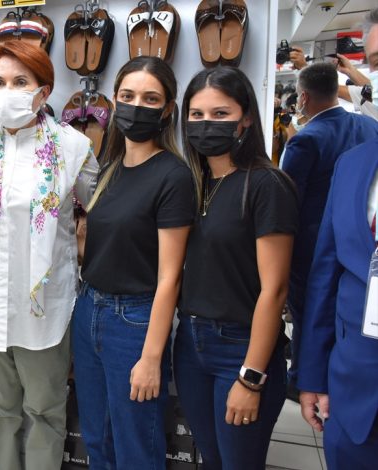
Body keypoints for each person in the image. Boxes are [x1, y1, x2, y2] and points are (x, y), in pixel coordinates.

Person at [0, 42, 98, 470]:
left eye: (20, 82)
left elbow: (97, 210)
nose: (7, 91)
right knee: (0, 411)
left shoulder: (73, 147)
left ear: (44, 91)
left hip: (42, 309)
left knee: (44, 410)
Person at [71, 56, 195, 469]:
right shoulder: (109, 169)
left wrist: (152, 357)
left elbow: (170, 276)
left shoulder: (173, 176)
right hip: (89, 308)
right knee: (97, 437)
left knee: (135, 444)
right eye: (128, 95)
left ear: (168, 108)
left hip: (134, 321)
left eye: (150, 98)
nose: (136, 105)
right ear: (114, 100)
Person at [174, 66, 298, 470]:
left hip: (241, 347)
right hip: (190, 344)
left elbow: (275, 290)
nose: (206, 124)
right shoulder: (194, 182)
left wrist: (251, 376)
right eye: (197, 115)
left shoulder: (266, 185)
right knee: (211, 459)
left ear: (245, 118)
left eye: (220, 114)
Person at [297, 9, 378, 468]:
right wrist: (312, 373)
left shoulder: (306, 140)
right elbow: (328, 275)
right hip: (354, 397)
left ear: (304, 98)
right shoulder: (357, 156)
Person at [280, 62, 378, 394]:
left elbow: (289, 201)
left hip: (311, 247)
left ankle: (302, 377)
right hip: (359, 243)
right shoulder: (368, 126)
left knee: (308, 312)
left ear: (303, 97)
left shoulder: (306, 140)